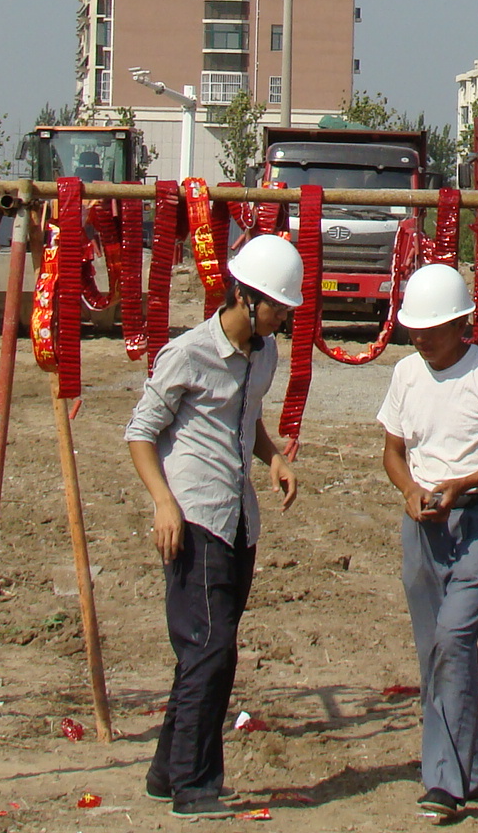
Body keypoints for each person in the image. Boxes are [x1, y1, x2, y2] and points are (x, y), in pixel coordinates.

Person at [125, 232, 303, 819]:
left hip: (239, 521)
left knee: (206, 653)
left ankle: (164, 773)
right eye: (278, 307)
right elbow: (141, 433)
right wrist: (162, 502)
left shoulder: (265, 354)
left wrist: (272, 456)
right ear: (245, 297)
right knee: (209, 648)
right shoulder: (188, 353)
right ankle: (194, 787)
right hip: (194, 518)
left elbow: (245, 419)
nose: (283, 318)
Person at [378, 262, 478, 823]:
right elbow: (393, 451)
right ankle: (469, 771)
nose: (419, 338)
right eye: (414, 329)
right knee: (437, 653)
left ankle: (442, 783)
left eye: (431, 328)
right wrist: (410, 490)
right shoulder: (405, 374)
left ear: (462, 323)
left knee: (452, 637)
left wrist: (463, 483)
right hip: (422, 525)